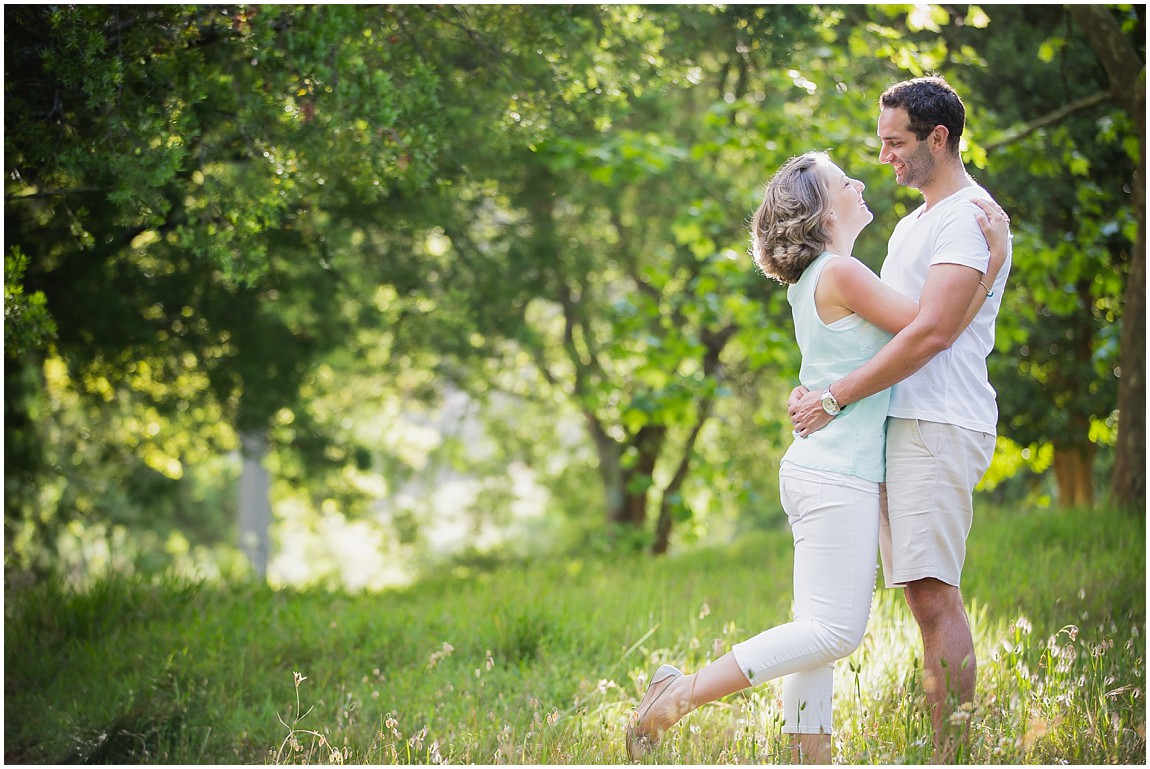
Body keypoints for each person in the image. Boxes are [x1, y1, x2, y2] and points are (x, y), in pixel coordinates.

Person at [624, 150, 1009, 763]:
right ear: (822, 212)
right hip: (837, 476)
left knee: (815, 630)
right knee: (833, 631)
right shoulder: (842, 273)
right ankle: (679, 695)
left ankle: (810, 757)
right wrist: (986, 272)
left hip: (818, 469)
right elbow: (930, 331)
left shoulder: (820, 278)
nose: (859, 181)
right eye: (841, 182)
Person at [787, 76, 1012, 763]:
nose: (883, 155)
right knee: (916, 598)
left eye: (894, 142)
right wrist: (831, 388)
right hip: (900, 423)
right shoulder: (916, 223)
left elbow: (932, 334)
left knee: (934, 597)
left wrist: (836, 396)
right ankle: (808, 745)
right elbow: (890, 331)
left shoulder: (970, 216)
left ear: (937, 139)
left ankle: (953, 754)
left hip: (938, 421)